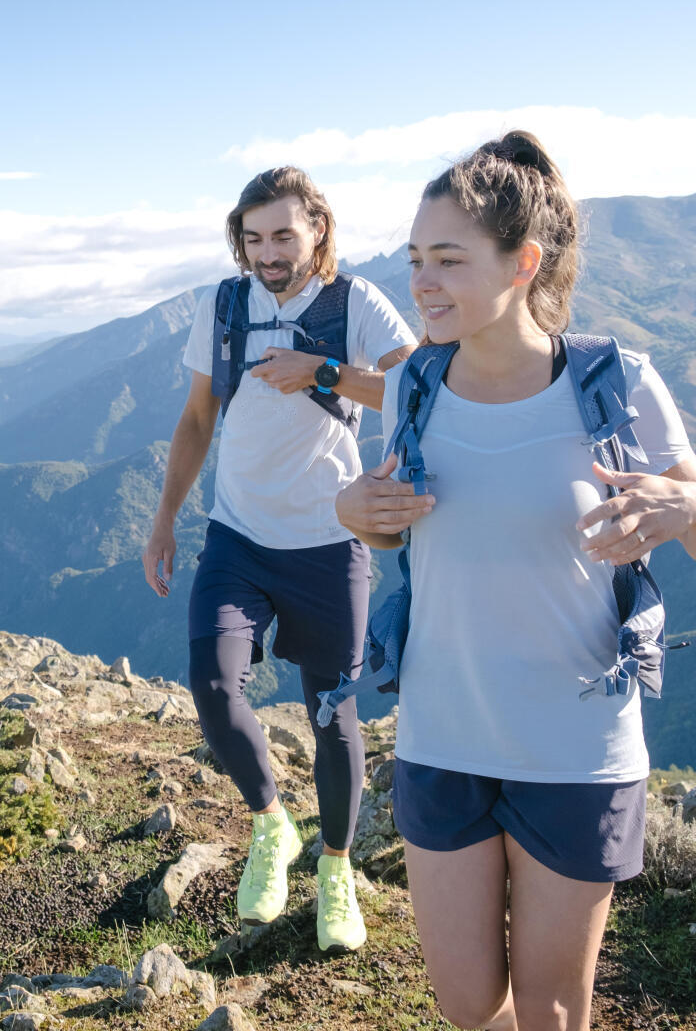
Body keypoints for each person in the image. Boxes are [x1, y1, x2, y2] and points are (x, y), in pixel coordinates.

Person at [335, 131, 696, 1030]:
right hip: (442, 733)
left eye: (447, 259)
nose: (422, 283)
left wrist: (684, 509)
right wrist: (351, 512)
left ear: (523, 263)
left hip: (578, 747)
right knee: (469, 1004)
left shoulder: (616, 383)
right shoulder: (417, 386)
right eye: (414, 260)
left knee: (552, 1014)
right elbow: (377, 503)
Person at [144, 165, 417, 953]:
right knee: (212, 685)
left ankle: (334, 869)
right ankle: (272, 828)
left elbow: (418, 391)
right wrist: (164, 520)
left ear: (317, 230)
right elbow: (198, 418)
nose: (267, 252)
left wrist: (321, 370)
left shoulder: (354, 304)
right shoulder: (225, 305)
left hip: (332, 544)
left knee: (331, 712)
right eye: (254, 237)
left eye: (283, 235)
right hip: (236, 537)